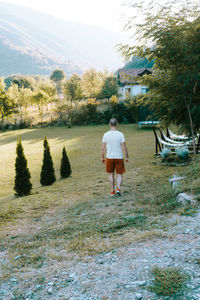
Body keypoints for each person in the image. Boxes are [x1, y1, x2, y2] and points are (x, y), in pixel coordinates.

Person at [101, 118, 129, 196]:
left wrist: (102, 157)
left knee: (110, 174)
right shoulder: (121, 134)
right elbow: (124, 147)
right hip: (119, 157)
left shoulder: (106, 134)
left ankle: (112, 191)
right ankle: (118, 188)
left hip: (109, 157)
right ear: (117, 124)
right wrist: (127, 157)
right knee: (119, 174)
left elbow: (102, 148)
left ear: (109, 125)